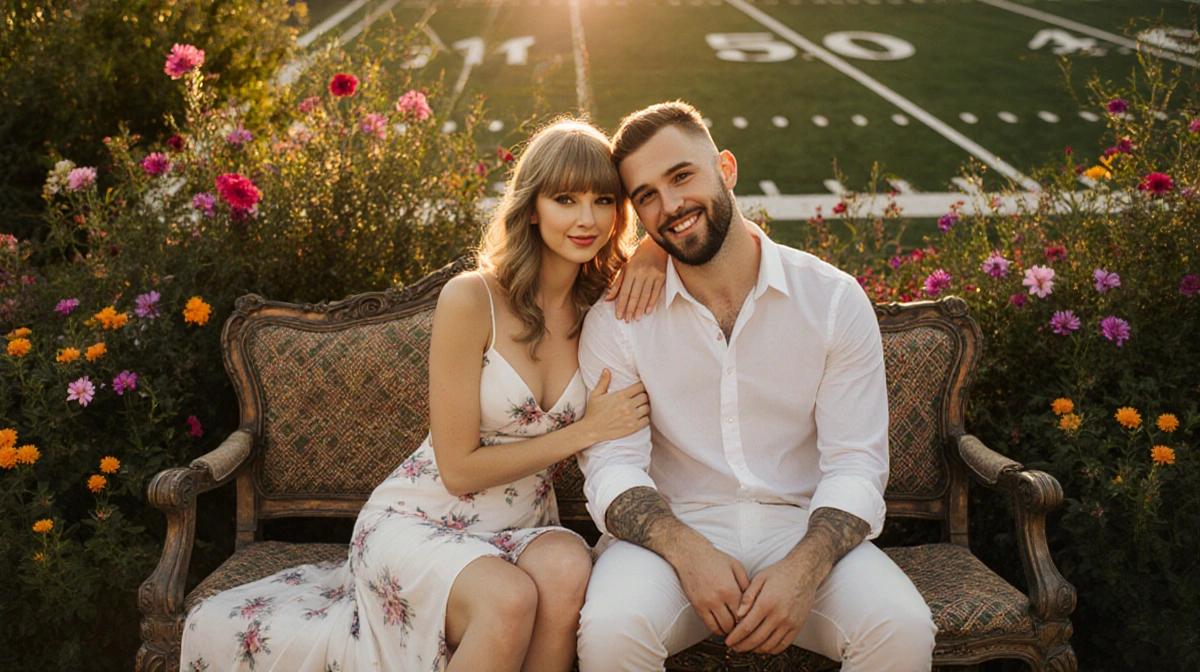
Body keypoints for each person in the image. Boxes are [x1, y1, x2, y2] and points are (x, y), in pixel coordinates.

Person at [179, 118, 664, 672]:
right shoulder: (472, 298)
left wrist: (650, 251)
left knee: (569, 566)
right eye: (565, 199)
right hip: (422, 518)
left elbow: (702, 240)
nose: (586, 219)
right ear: (532, 207)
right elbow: (458, 468)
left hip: (523, 522)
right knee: (509, 600)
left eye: (603, 200)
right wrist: (585, 431)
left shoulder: (607, 303)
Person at [575, 101, 937, 671]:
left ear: (726, 167)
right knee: (613, 630)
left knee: (902, 627)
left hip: (803, 523)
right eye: (646, 196)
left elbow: (856, 466)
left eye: (682, 176)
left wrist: (805, 567)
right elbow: (611, 466)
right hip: (670, 534)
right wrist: (684, 549)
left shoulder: (832, 300)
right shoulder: (616, 320)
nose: (670, 206)